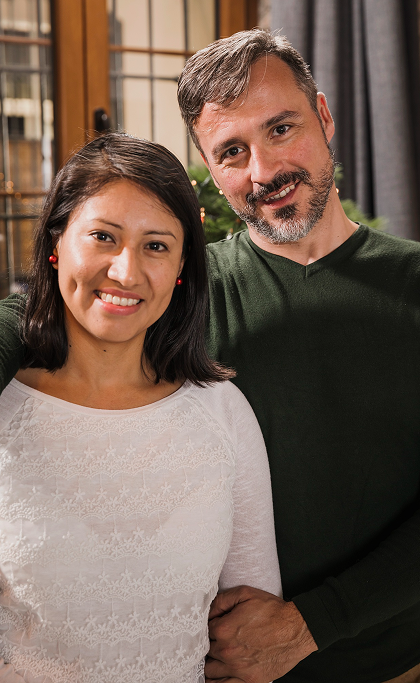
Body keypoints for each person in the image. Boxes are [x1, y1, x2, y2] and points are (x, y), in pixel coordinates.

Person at [176, 29, 420, 683]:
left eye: (281, 128)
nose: (264, 172)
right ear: (207, 167)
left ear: (325, 116)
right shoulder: (182, 294)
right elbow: (47, 321)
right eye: (232, 151)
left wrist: (309, 626)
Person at [0, 132, 281, 682]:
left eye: (156, 245)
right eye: (103, 236)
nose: (126, 273)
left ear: (180, 269)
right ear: (57, 241)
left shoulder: (223, 414)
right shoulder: (4, 410)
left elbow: (251, 641)